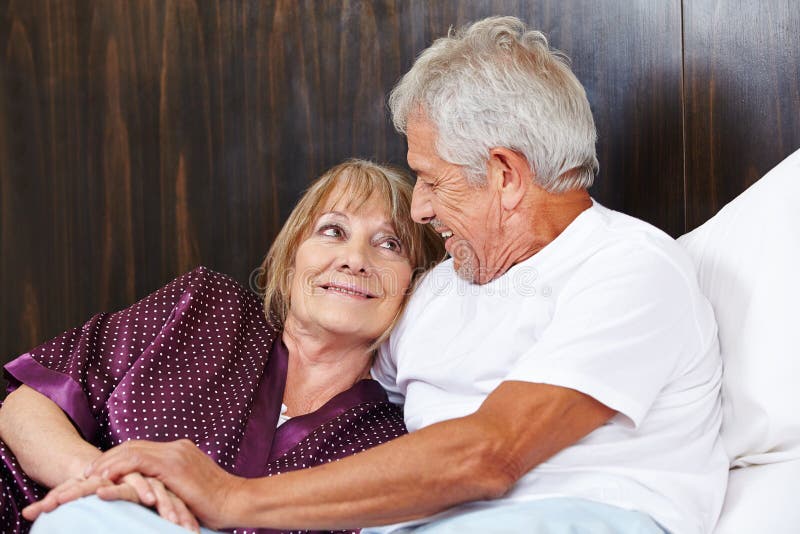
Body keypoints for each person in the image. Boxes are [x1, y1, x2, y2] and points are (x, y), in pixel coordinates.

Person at [27, 16, 729, 534]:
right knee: (89, 520)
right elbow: (326, 352)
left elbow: (490, 454)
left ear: (506, 176)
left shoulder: (629, 268)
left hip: (569, 520)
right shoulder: (436, 294)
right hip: (415, 525)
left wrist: (231, 496)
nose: (420, 208)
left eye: (428, 179)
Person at [0, 159, 444, 533]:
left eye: (390, 244)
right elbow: (29, 403)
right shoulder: (204, 306)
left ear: (414, 287)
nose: (355, 258)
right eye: (332, 231)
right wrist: (111, 482)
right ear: (291, 263)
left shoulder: (389, 440)